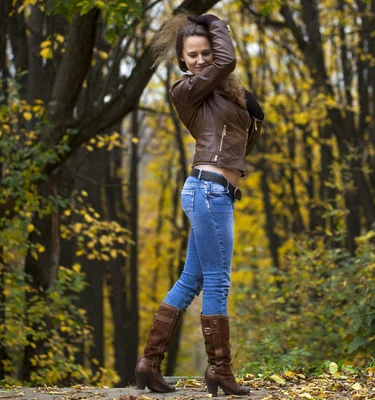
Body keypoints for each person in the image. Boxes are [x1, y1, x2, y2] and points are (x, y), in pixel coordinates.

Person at [134, 13, 264, 397]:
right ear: (182, 59)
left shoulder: (219, 94)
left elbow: (239, 143)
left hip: (212, 192)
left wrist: (252, 113)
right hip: (208, 192)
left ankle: (149, 364)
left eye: (206, 52)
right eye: (193, 54)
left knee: (191, 280)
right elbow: (227, 62)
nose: (202, 60)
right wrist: (217, 22)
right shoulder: (185, 89)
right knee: (218, 281)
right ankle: (219, 370)